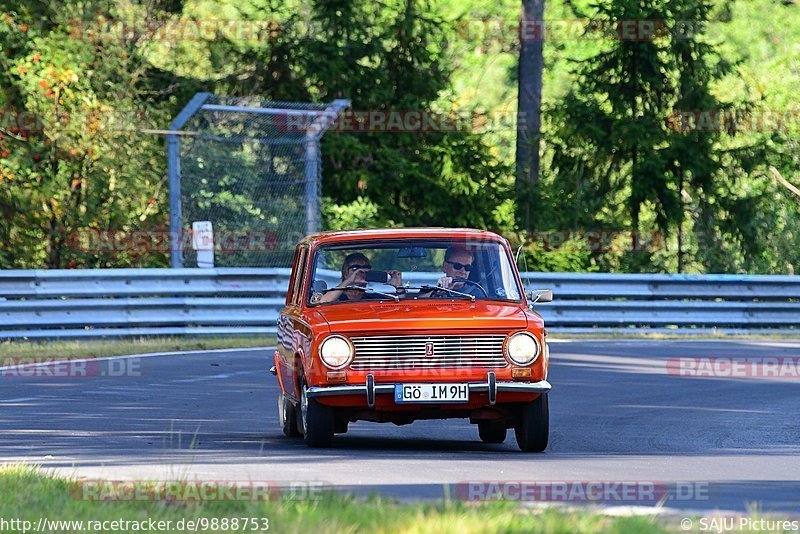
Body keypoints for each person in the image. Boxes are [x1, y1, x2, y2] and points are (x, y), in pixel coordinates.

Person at [319, 252, 403, 303]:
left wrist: (398, 287)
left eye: (365, 268)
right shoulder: (336, 297)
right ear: (345, 272)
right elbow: (323, 302)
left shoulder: (374, 297)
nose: (360, 272)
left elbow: (402, 307)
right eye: (355, 268)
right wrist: (349, 281)